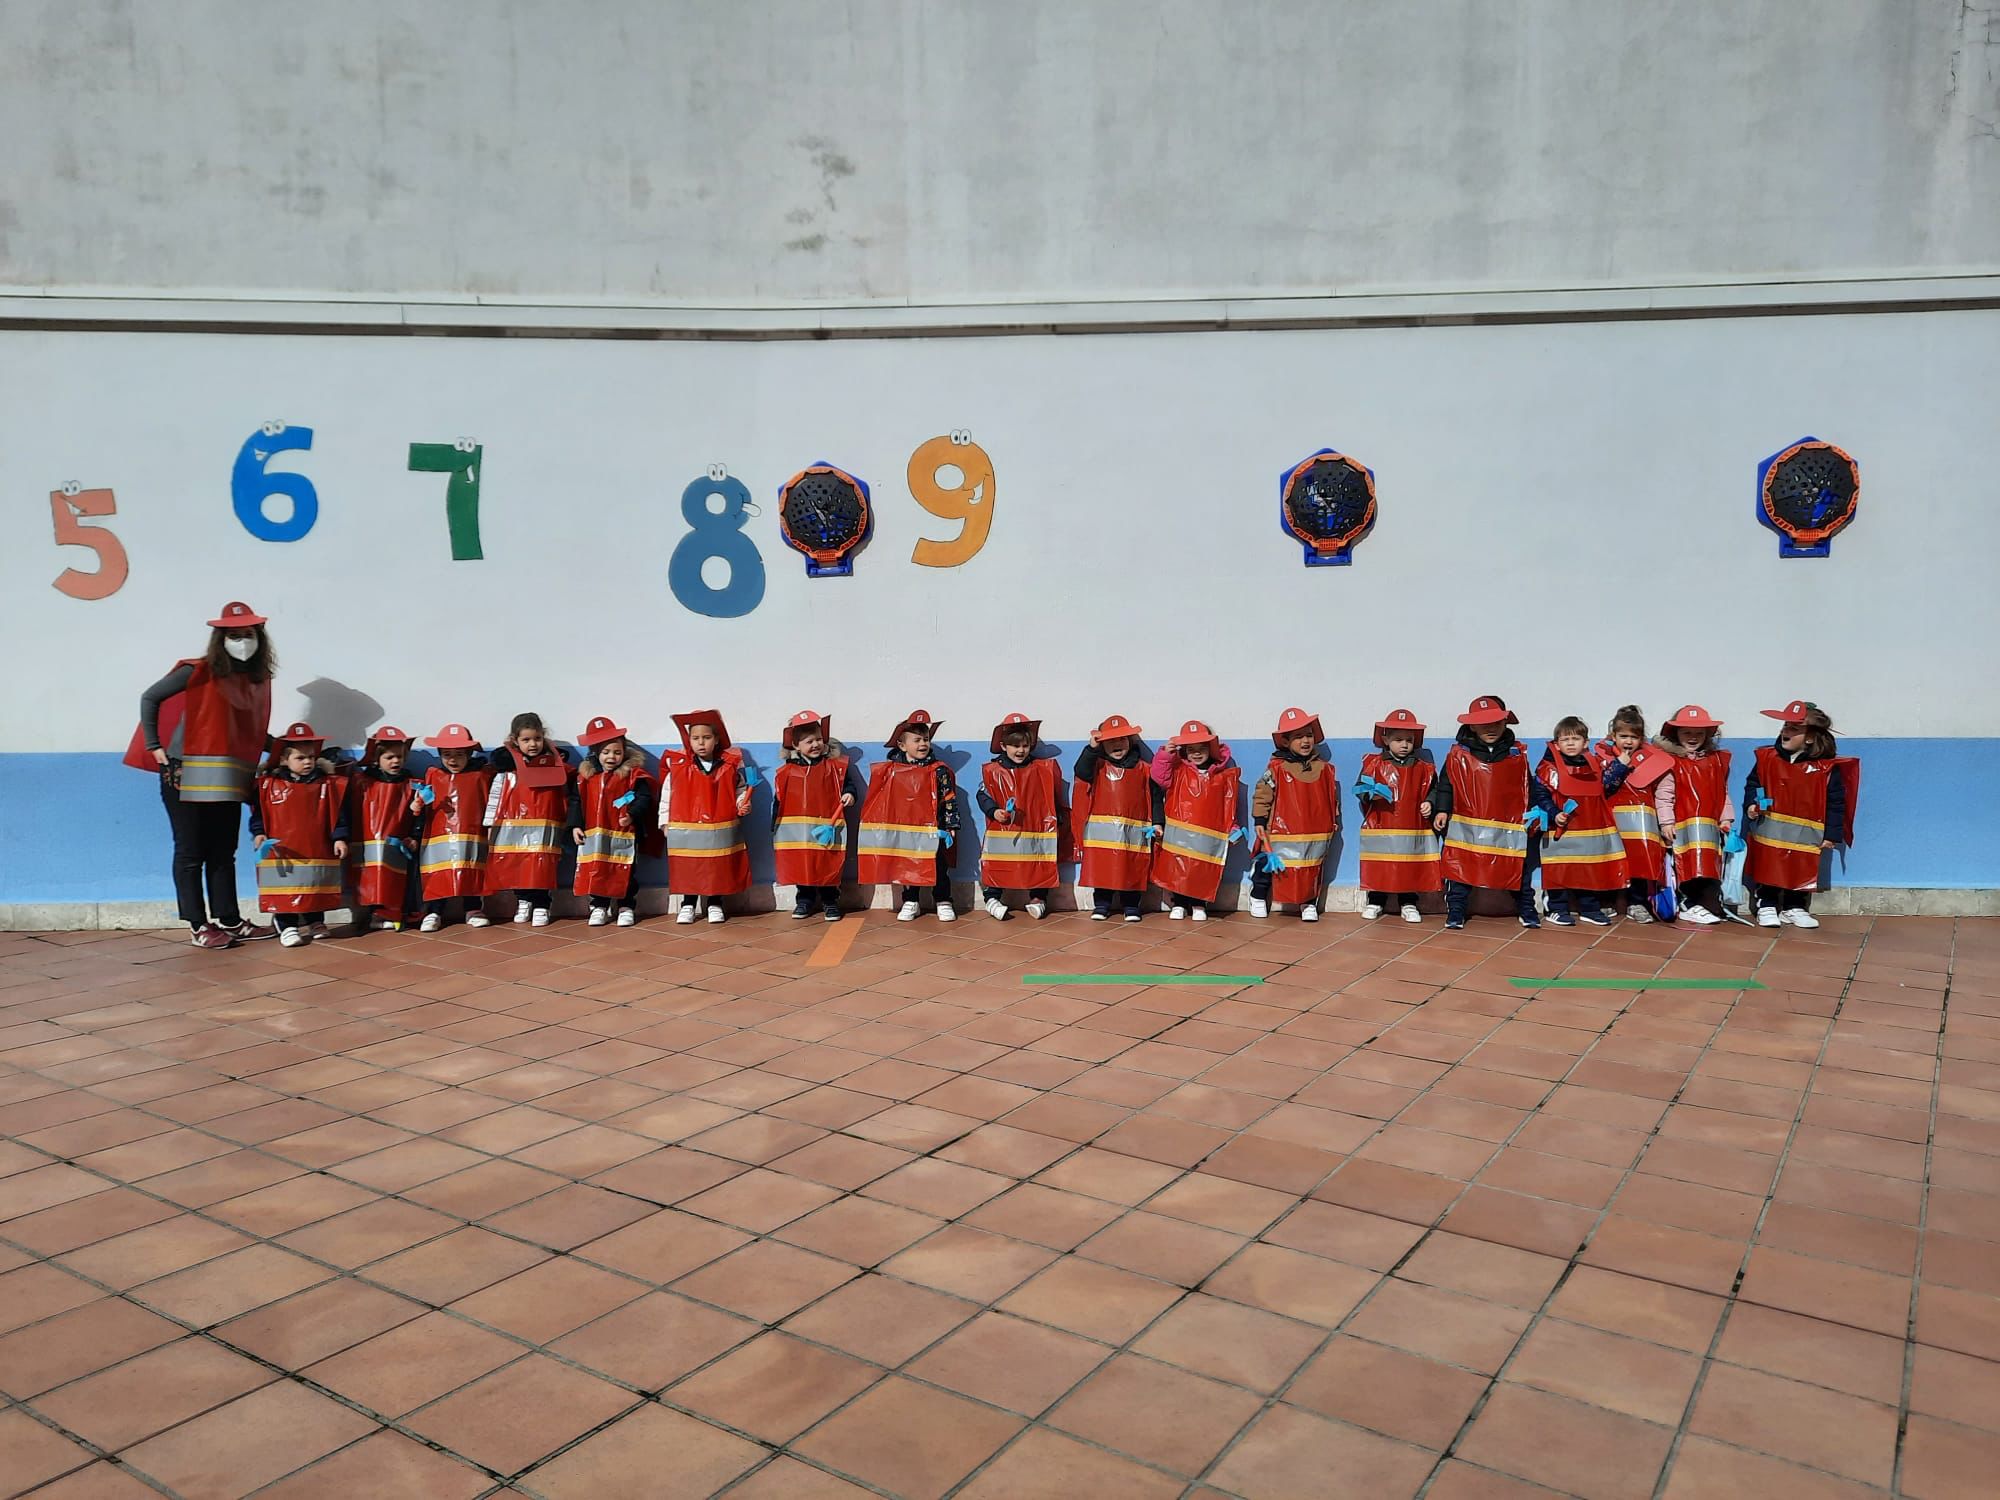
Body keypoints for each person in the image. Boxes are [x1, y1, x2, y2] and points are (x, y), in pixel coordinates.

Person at [132, 600, 278, 948]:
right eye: (234, 635)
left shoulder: (253, 679)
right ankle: (199, 925)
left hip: (227, 775)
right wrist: (155, 744)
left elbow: (247, 730)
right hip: (185, 772)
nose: (242, 640)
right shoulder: (197, 671)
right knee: (191, 850)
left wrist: (283, 747)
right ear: (220, 638)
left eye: (248, 634)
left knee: (223, 849)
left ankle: (229, 919)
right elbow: (150, 697)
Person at [1429, 696, 1557, 930]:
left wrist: (1533, 812)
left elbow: (1526, 785)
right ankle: (1456, 911)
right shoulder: (1458, 754)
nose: (1490, 729)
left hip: (1507, 826)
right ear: (1472, 726)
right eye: (1483, 724)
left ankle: (1526, 908)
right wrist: (1442, 810)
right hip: (1467, 826)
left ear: (1505, 723)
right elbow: (1446, 785)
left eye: (1496, 723)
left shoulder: (1516, 754)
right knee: (1460, 869)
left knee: (1518, 867)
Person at [1744, 699, 1859, 930]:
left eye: (1794, 728)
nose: (1786, 731)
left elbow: (1836, 802)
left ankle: (1794, 907)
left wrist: (1832, 833)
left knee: (1800, 866)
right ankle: (1766, 904)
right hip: (1771, 829)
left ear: (1809, 737)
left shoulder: (1826, 768)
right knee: (1770, 863)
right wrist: (1751, 805)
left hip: (1806, 834)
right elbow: (1752, 784)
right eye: (1785, 726)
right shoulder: (1767, 759)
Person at [248, 722, 347, 948]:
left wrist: (339, 837)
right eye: (300, 758)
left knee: (315, 882)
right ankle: (287, 924)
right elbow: (259, 814)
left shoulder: (326, 785)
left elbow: (336, 814)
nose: (307, 762)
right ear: (284, 760)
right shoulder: (268, 786)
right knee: (285, 886)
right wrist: (259, 833)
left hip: (316, 845)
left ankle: (315, 921)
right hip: (283, 849)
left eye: (310, 757)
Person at [858, 709, 960, 922]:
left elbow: (948, 798)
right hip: (906, 831)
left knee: (938, 866)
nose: (923, 744)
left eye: (926, 739)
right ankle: (910, 900)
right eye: (917, 740)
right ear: (902, 745)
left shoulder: (939, 770)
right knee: (908, 866)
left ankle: (943, 900)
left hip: (935, 831)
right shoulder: (891, 771)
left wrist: (950, 826)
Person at [659, 710, 752, 924]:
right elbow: (666, 796)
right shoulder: (678, 767)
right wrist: (664, 822)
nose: (701, 743)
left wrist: (743, 804)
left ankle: (714, 903)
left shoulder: (729, 766)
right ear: (688, 740)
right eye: (696, 738)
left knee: (715, 867)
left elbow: (739, 790)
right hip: (686, 829)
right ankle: (688, 904)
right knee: (688, 867)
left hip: (718, 829)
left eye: (707, 738)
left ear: (716, 739)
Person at [1536, 716, 1627, 926]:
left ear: (1585, 743)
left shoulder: (1594, 766)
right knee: (1559, 869)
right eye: (1565, 739)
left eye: (1575, 739)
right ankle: (1556, 908)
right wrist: (1554, 813)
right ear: (1556, 744)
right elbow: (1540, 794)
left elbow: (1604, 788)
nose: (1570, 743)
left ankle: (1590, 908)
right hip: (1560, 830)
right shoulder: (1547, 768)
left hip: (1589, 832)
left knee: (1589, 869)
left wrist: (1620, 767)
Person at [1249, 707, 1338, 922]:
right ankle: (1258, 895)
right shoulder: (1276, 767)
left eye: (1308, 735)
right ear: (1286, 742)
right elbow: (1262, 794)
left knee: (1311, 866)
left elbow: (1332, 798)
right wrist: (1260, 820)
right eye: (1298, 737)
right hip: (1279, 831)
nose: (1305, 741)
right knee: (1269, 864)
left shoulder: (1324, 768)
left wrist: (1333, 821)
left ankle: (1308, 902)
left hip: (1313, 833)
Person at [483, 712, 571, 926]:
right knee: (518, 863)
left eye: (537, 739)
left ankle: (541, 904)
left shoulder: (553, 764)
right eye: (526, 740)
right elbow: (496, 794)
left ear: (544, 737)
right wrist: (489, 823)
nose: (533, 744)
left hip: (544, 827)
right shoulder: (506, 769)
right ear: (515, 740)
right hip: (514, 827)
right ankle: (523, 900)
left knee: (542, 864)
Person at [1652, 704, 1736, 925]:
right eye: (1686, 732)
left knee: (1707, 867)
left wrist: (1726, 817)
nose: (1693, 737)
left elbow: (1722, 792)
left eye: (1699, 733)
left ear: (1708, 735)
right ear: (1676, 733)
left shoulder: (1715, 761)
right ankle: (1688, 904)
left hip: (1708, 829)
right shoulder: (1671, 762)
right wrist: (1667, 822)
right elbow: (1664, 795)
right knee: (1686, 867)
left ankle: (1704, 904)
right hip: (1682, 829)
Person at [1354, 707, 1438, 922]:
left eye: (1409, 739)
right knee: (1380, 865)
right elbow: (1360, 788)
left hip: (1412, 826)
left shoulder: (1424, 768)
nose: (1404, 744)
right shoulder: (1373, 764)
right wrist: (1370, 795)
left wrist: (1430, 802)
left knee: (1409, 864)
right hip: (1381, 826)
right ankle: (1375, 900)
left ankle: (1408, 902)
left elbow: (1434, 790)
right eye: (1398, 739)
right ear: (1386, 739)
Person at [1071, 714, 1159, 922]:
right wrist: (1091, 750)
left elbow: (1155, 797)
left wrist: (1157, 822)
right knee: (1103, 868)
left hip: (1133, 833)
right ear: (1103, 745)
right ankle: (1102, 905)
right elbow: (1081, 771)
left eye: (1122, 739)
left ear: (1130, 741)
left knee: (1132, 867)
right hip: (1102, 836)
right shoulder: (1096, 766)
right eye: (1111, 740)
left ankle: (1131, 906)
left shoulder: (1144, 769)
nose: (1117, 744)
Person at [772, 710, 858, 921]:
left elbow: (847, 785)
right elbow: (779, 799)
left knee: (827, 862)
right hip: (798, 831)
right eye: (809, 741)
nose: (815, 745)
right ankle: (804, 900)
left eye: (819, 739)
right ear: (796, 746)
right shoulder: (787, 771)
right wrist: (775, 825)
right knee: (803, 863)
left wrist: (849, 794)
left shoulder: (835, 767)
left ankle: (830, 901)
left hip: (828, 826)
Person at [1150, 720, 1239, 921]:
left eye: (1201, 748)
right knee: (1180, 869)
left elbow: (1229, 802)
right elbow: (1159, 776)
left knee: (1202, 870)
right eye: (1191, 749)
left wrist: (1233, 827)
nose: (1197, 753)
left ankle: (1199, 903)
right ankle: (1179, 902)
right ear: (1184, 751)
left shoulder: (1222, 775)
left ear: (1211, 748)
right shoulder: (1177, 770)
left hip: (1207, 836)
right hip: (1180, 836)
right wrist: (1166, 754)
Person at [572, 715, 655, 927]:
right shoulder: (586, 778)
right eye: (606, 752)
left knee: (625, 869)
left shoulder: (633, 775)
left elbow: (644, 798)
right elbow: (576, 802)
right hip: (594, 836)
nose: (612, 757)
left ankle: (626, 906)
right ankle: (599, 906)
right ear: (596, 753)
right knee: (596, 869)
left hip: (624, 834)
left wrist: (633, 814)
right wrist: (575, 825)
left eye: (617, 752)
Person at [978, 713, 1061, 920]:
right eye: (1015, 746)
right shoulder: (992, 770)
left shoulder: (1042, 769)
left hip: (1035, 829)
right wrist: (994, 811)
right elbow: (983, 794)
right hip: (1003, 831)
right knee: (998, 863)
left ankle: (1039, 898)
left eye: (1024, 745)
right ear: (1004, 746)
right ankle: (992, 897)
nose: (1020, 750)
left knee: (1038, 861)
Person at [415, 723, 494, 932]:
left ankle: (473, 909)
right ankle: (433, 911)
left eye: (459, 754)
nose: (453, 760)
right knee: (438, 874)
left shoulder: (481, 775)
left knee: (472, 871)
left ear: (469, 754)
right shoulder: (433, 775)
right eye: (447, 754)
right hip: (437, 838)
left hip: (471, 834)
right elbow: (423, 803)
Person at [348, 727, 422, 932]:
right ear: (376, 758)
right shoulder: (362, 782)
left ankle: (390, 913)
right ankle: (374, 914)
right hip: (369, 843)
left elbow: (420, 814)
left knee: (395, 879)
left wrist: (415, 834)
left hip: (399, 843)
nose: (395, 761)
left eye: (399, 756)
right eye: (389, 757)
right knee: (372, 877)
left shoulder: (412, 783)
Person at [1597, 706, 1666, 922]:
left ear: (1641, 738)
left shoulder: (1652, 759)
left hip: (1641, 823)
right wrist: (1619, 765)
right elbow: (1602, 786)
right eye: (1623, 736)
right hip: (1612, 820)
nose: (1628, 741)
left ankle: (1637, 902)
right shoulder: (1602, 757)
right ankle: (1607, 901)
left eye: (1633, 737)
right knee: (1610, 858)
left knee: (1640, 861)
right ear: (1613, 736)